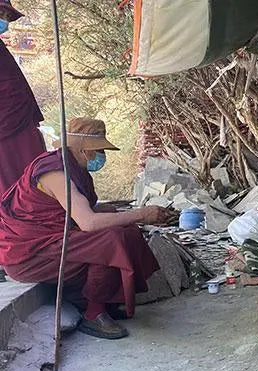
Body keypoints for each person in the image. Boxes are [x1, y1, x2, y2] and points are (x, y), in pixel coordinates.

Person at [0, 118, 173, 339]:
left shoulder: (76, 169)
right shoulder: (56, 172)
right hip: (31, 254)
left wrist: (112, 211)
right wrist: (142, 214)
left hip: (55, 239)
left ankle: (106, 300)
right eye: (98, 150)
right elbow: (88, 223)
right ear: (83, 150)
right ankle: (94, 313)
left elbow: (72, 211)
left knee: (128, 231)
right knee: (112, 239)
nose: (101, 156)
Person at [0, 0, 47, 194]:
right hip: (5, 131)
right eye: (1, 14)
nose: (4, 21)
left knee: (34, 181)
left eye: (6, 17)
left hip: (22, 122)